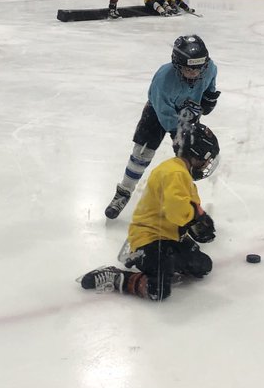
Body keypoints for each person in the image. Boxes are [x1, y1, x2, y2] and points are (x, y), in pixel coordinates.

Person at [80, 124, 220, 301]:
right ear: (197, 153)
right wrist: (197, 217)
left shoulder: (182, 174)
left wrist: (199, 227)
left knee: (202, 266)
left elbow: (186, 207)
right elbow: (177, 210)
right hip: (148, 238)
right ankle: (117, 276)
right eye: (207, 159)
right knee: (158, 289)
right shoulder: (175, 173)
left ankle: (154, 260)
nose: (207, 164)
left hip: (166, 237)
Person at [104, 35, 220, 219]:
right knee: (141, 153)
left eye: (199, 68)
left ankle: (186, 201)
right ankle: (123, 192)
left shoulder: (210, 68)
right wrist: (182, 131)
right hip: (157, 113)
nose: (195, 73)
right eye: (189, 69)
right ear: (177, 64)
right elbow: (165, 116)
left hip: (188, 113)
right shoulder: (163, 79)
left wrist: (209, 97)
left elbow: (209, 86)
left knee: (188, 162)